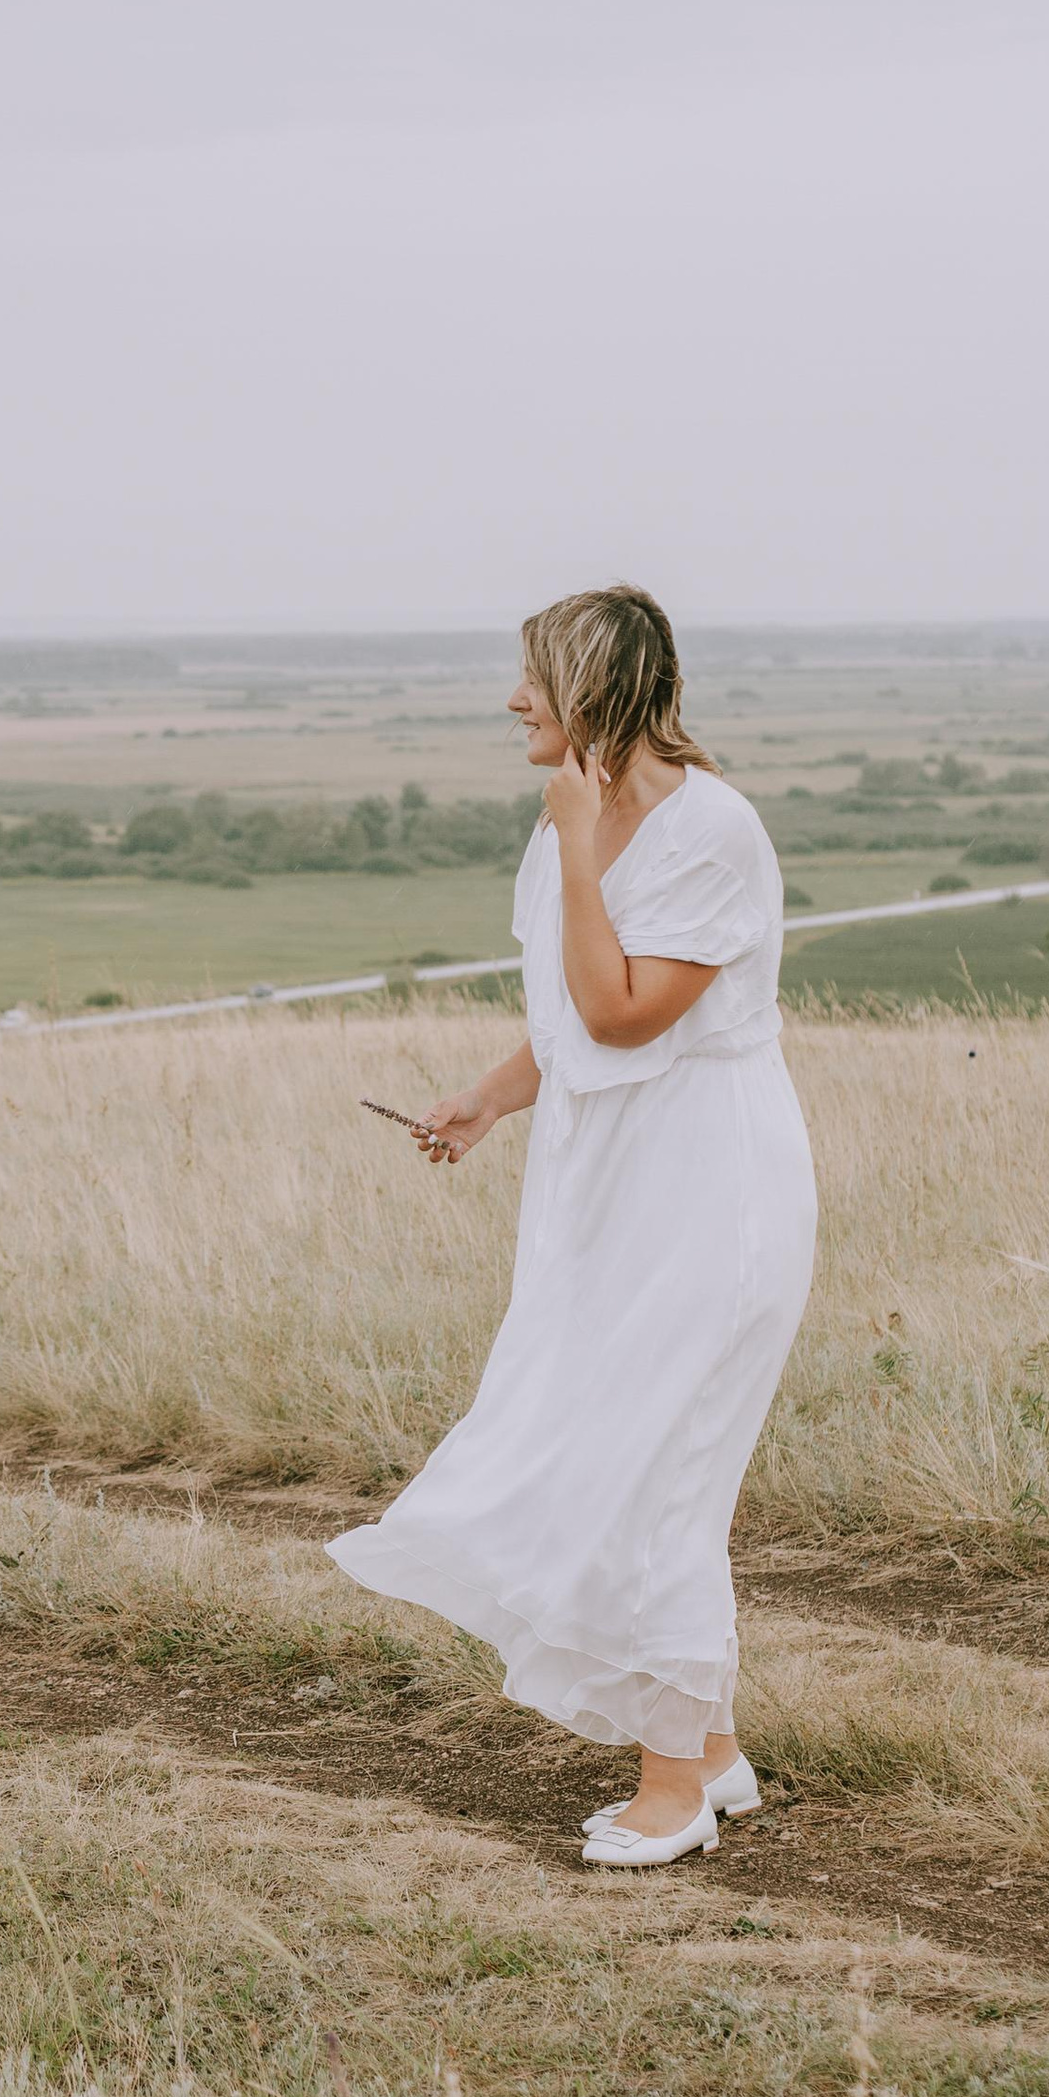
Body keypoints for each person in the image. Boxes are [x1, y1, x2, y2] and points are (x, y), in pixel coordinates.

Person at [329, 586, 814, 1867]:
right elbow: (564, 1024)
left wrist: (583, 843)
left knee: (664, 1468)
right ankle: (711, 1752)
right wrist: (486, 1101)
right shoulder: (571, 831)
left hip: (710, 1185)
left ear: (589, 690)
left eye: (530, 680)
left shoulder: (709, 832)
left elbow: (621, 1016)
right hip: (613, 1184)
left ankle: (670, 1793)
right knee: (625, 1450)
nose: (511, 702)